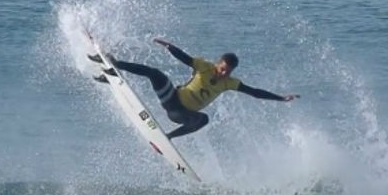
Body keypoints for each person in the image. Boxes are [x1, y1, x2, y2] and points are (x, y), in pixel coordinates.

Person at [89, 38, 300, 139]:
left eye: (228, 71)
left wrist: (281, 98)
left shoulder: (230, 83)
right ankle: (114, 66)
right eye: (223, 68)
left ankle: (168, 137)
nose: (224, 73)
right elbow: (185, 58)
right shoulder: (205, 67)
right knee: (156, 73)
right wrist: (168, 46)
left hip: (181, 114)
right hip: (171, 98)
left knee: (204, 119)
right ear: (218, 63)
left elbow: (254, 92)